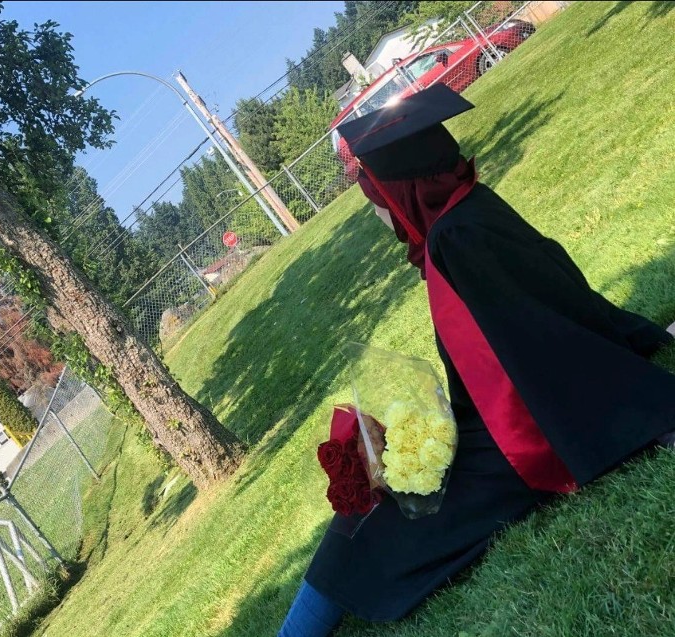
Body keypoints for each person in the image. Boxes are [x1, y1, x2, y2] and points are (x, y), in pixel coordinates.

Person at [279, 84, 675, 636]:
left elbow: (535, 352)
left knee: (364, 526)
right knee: (370, 501)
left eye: (380, 201)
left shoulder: (454, 241)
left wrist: (641, 412)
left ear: (405, 191)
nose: (381, 218)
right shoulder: (470, 208)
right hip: (510, 411)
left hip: (521, 438)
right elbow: (544, 312)